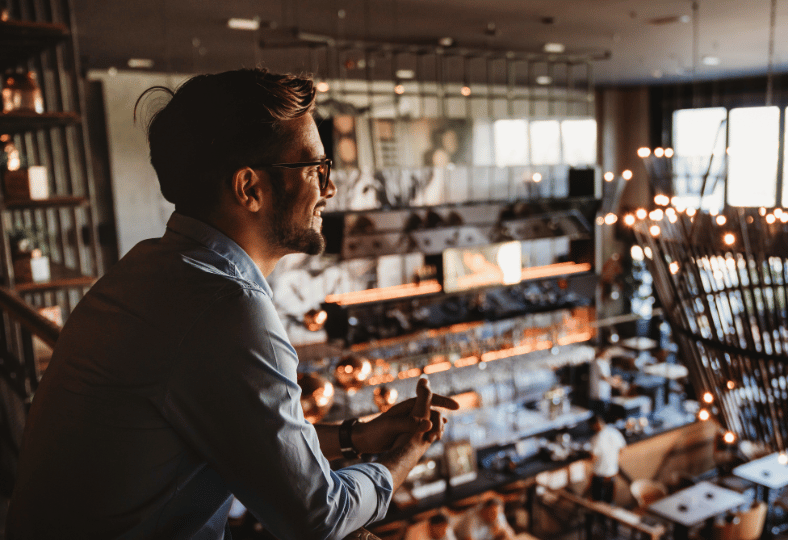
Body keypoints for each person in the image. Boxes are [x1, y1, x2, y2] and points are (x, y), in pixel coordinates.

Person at [6, 69, 458, 540]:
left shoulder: (152, 268)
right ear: (249, 188)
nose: (330, 189)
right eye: (315, 169)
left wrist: (356, 438)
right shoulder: (225, 307)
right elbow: (318, 517)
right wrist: (403, 454)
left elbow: (253, 440)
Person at [586, 415, 627, 538]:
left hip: (599, 477)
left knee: (598, 506)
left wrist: (587, 459)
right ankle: (613, 532)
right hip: (612, 476)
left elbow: (593, 459)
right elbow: (622, 449)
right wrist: (613, 461)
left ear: (594, 425)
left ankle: (601, 532)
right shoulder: (614, 433)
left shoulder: (596, 439)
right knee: (610, 504)